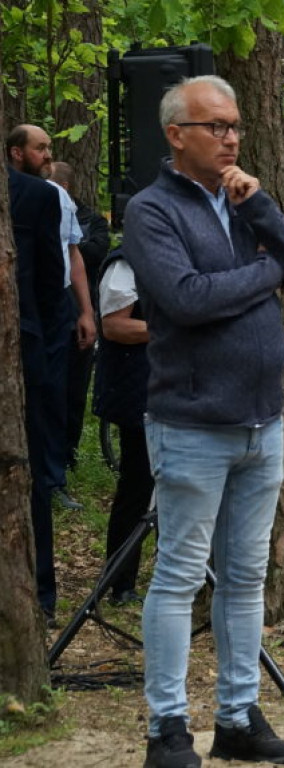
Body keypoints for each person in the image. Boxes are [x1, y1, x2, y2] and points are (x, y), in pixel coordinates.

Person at [122, 74, 284, 768]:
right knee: (179, 575)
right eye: (215, 126)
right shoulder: (150, 211)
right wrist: (266, 277)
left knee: (244, 578)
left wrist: (263, 209)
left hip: (262, 422)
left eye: (235, 125)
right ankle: (167, 729)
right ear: (177, 135)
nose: (231, 137)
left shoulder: (245, 204)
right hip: (192, 422)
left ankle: (237, 718)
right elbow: (184, 300)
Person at [6, 124, 96, 511]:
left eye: (48, 147)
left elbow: (71, 253)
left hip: (56, 303)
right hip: (20, 302)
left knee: (54, 391)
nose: (48, 155)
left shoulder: (56, 195)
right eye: (40, 148)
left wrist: (86, 311)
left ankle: (52, 478)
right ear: (16, 152)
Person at [7, 152, 65, 626]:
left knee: (30, 473)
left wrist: (40, 353)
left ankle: (40, 592)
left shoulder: (35, 196)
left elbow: (51, 284)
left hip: (23, 353)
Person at [92, 249, 153, 606]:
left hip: (173, 390)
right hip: (139, 390)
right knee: (138, 483)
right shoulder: (126, 263)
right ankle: (120, 580)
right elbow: (115, 325)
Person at [50, 161, 110, 474]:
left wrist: (68, 245)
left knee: (75, 387)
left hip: (82, 310)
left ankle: (69, 453)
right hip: (53, 311)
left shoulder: (92, 220)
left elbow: (95, 251)